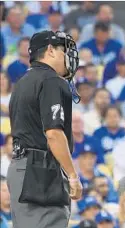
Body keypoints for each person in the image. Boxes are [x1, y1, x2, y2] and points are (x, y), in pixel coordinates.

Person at [7, 30, 83, 228]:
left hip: (20, 168)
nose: (68, 57)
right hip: (40, 172)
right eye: (63, 51)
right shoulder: (51, 80)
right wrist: (73, 176)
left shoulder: (23, 82)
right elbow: (54, 134)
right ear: (50, 50)